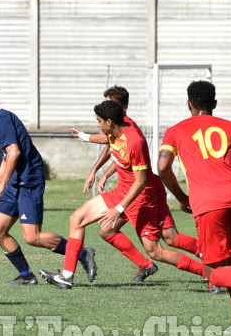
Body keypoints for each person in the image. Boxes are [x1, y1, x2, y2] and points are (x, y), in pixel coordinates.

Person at [41, 100, 203, 289]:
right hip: (121, 192)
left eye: (99, 121)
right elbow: (106, 141)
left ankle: (208, 272)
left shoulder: (135, 141)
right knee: (77, 219)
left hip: (140, 197)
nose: (98, 125)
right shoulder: (113, 133)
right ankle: (67, 275)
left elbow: (141, 181)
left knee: (156, 250)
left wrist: (118, 209)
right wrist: (85, 137)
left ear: (109, 122)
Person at [157, 80, 231, 333]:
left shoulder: (175, 131)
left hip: (209, 203)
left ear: (189, 104)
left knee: (212, 273)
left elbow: (162, 167)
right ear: (214, 104)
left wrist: (181, 197)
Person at [0, 83, 97, 285]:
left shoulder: (2, 119)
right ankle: (27, 276)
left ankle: (82, 253)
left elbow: (15, 153)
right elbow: (6, 158)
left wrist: (1, 187)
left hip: (28, 180)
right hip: (14, 181)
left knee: (33, 237)